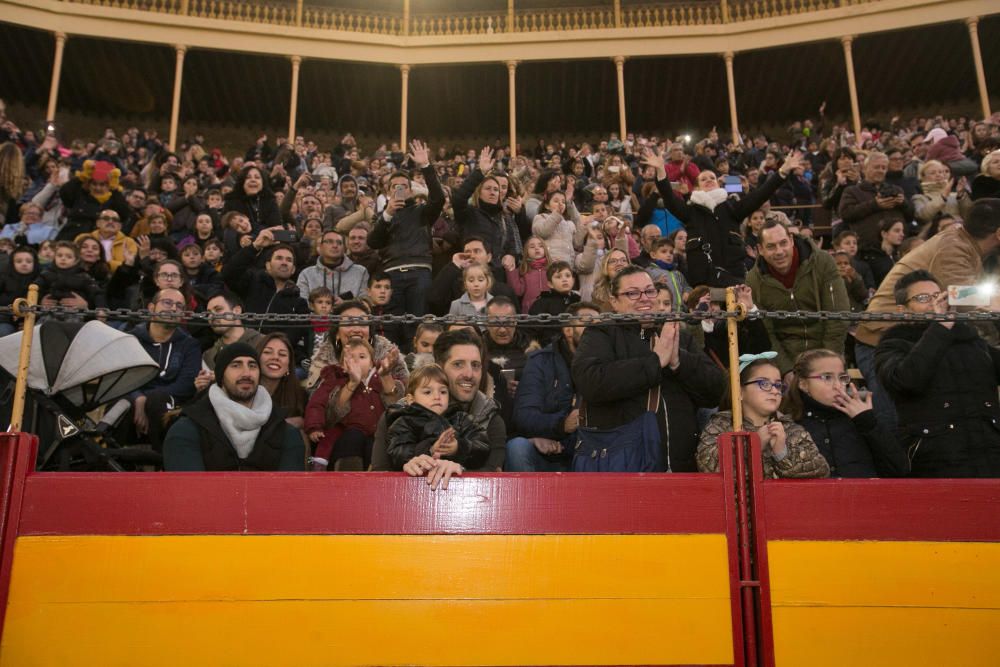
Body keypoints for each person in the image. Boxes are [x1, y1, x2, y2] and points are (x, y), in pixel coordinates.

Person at [854, 199, 1000, 434]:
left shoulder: (963, 242)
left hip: (921, 340)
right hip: (886, 341)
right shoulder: (955, 249)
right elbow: (967, 304)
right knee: (896, 425)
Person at [572, 266, 726, 471]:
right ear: (615, 301)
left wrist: (678, 361)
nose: (644, 298)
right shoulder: (600, 333)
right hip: (622, 466)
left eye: (649, 291)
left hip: (680, 468)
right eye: (633, 293)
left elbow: (716, 391)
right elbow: (590, 381)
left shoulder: (678, 337)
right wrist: (654, 362)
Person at [875, 269, 1000, 477]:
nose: (934, 303)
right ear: (902, 310)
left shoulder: (971, 340)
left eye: (937, 295)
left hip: (989, 453)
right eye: (923, 298)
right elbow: (907, 380)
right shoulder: (893, 344)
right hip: (937, 458)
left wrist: (997, 318)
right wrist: (940, 326)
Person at [642, 147, 802, 287]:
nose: (709, 180)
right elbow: (669, 198)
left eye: (712, 178)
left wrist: (783, 172)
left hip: (735, 278)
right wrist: (661, 170)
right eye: (703, 179)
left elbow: (760, 195)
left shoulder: (732, 207)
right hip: (702, 282)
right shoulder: (690, 211)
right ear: (697, 187)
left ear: (719, 184)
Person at [372, 327, 507, 479]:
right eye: (458, 364)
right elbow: (379, 475)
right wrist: (409, 469)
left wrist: (459, 471)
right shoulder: (398, 414)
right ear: (439, 367)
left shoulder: (491, 418)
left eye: (475, 365)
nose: (469, 374)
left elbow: (492, 478)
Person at [163, 342, 305, 471]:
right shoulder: (186, 430)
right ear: (220, 376)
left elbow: (289, 492)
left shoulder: (286, 433)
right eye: (236, 365)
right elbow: (188, 492)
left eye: (252, 366)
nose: (246, 373)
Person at [696, 352, 830, 478]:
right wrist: (753, 447)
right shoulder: (720, 426)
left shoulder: (791, 429)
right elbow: (709, 468)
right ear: (739, 391)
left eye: (778, 385)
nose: (774, 391)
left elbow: (821, 470)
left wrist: (782, 453)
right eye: (764, 383)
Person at [746, 220, 850, 378]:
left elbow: (837, 317)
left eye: (783, 243)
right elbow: (766, 333)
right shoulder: (753, 280)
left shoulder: (822, 262)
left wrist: (827, 362)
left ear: (792, 240)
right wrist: (785, 370)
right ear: (760, 249)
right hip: (785, 358)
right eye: (771, 246)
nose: (779, 251)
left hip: (826, 350)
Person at [506, 302, 599, 472]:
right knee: (517, 448)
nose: (596, 331)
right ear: (568, 330)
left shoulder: (605, 365)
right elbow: (524, 416)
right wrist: (561, 424)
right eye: (588, 323)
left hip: (590, 455)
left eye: (599, 326)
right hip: (547, 454)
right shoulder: (540, 362)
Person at [785, 349, 907, 477]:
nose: (838, 385)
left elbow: (899, 469)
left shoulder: (861, 419)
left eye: (842, 377)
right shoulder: (790, 424)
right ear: (803, 384)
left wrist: (869, 424)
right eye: (827, 377)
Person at [368, 141, 444, 337]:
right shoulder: (382, 217)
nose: (399, 189)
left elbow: (438, 199)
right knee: (392, 326)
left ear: (411, 190)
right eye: (394, 187)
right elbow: (373, 242)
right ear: (387, 192)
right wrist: (388, 214)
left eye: (404, 186)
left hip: (419, 272)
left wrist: (426, 167)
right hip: (391, 275)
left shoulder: (421, 212)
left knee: (417, 326)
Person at [124, 288, 202, 450]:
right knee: (122, 402)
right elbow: (121, 376)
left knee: (158, 399)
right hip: (132, 401)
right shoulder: (130, 339)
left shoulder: (190, 344)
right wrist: (138, 398)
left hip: (168, 404)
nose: (173, 308)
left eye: (179, 306)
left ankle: (162, 460)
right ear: (152, 308)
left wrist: (148, 398)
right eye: (167, 302)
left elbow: (187, 384)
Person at [305, 338, 398, 471]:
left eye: (362, 357)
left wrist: (386, 376)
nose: (356, 361)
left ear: (372, 363)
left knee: (375, 445)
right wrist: (314, 426)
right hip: (348, 437)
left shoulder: (381, 379)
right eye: (350, 358)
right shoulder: (335, 380)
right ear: (343, 366)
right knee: (352, 436)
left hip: (376, 437)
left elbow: (397, 406)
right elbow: (317, 403)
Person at [385, 364, 491, 480]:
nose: (437, 396)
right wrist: (430, 449)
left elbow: (483, 445)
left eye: (443, 392)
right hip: (416, 482)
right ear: (411, 399)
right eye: (427, 392)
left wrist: (458, 447)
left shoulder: (461, 419)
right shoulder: (403, 422)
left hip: (456, 481)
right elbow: (397, 453)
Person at [838, 152, 915, 250]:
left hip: (898, 248)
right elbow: (846, 214)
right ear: (865, 169)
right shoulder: (852, 191)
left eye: (883, 168)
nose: (880, 170)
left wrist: (903, 203)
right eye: (876, 167)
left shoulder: (896, 190)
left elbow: (910, 216)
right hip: (868, 249)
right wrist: (875, 205)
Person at [296, 229, 369, 303]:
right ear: (320, 247)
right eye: (329, 242)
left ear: (344, 248)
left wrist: (344, 304)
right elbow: (302, 305)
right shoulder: (306, 274)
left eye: (339, 243)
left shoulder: (361, 272)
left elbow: (365, 302)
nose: (335, 246)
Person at [256, 333, 308, 429]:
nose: (275, 357)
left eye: (282, 354)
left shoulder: (300, 396)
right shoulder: (245, 391)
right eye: (268, 352)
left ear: (288, 366)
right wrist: (282, 424)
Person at [506, 235, 550, 313]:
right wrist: (511, 271)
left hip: (549, 309)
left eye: (540, 246)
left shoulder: (551, 269)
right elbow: (518, 291)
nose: (537, 248)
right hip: (529, 310)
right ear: (526, 252)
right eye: (532, 247)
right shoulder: (524, 270)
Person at [644, 237, 691, 309]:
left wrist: (687, 292)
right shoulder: (649, 271)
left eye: (671, 252)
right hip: (662, 311)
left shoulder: (677, 273)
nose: (669, 255)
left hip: (682, 313)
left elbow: (687, 286)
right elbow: (643, 289)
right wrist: (656, 284)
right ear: (653, 255)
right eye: (664, 251)